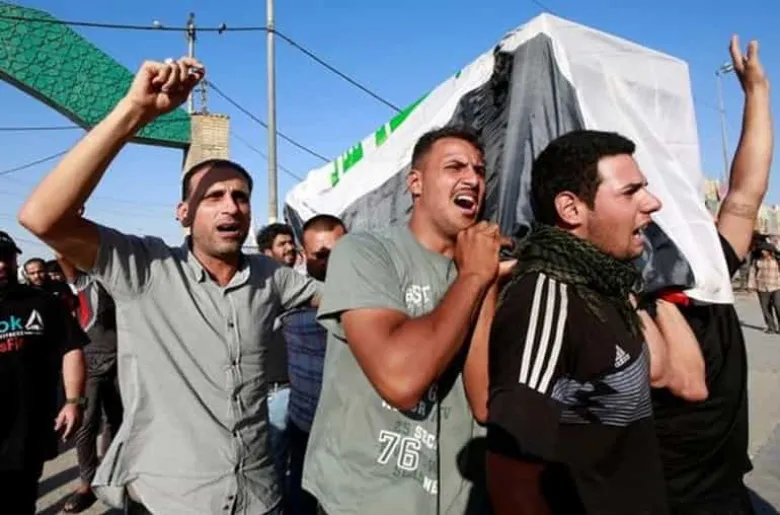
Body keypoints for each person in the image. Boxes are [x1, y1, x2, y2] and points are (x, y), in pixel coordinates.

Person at [18, 56, 320, 515]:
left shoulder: (270, 276)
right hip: (167, 503)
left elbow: (346, 298)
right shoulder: (145, 268)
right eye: (213, 196)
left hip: (260, 499)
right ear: (183, 214)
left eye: (241, 197)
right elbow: (42, 217)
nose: (231, 207)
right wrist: (135, 112)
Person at [303, 126, 514, 514]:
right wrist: (473, 277)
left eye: (480, 170)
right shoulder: (364, 252)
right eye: (455, 167)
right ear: (415, 183)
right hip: (365, 501)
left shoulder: (481, 271)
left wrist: (484, 280)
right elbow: (400, 381)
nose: (472, 179)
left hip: (455, 502)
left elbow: (485, 403)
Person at [486, 130, 669, 514]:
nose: (653, 202)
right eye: (630, 192)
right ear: (571, 209)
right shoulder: (545, 300)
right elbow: (512, 485)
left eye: (645, 188)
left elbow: (654, 372)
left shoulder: (606, 283)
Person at [648, 35, 773, 515]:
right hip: (665, 497)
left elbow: (745, 195)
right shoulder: (624, 296)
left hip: (725, 489)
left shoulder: (708, 267)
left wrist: (756, 93)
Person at [0, 230, 88, 515]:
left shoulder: (43, 303)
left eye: (6, 257)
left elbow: (71, 348)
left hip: (27, 428)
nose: (1, 265)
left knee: (21, 501)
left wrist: (73, 401)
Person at [280, 214, 346, 515]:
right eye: (321, 254)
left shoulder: (370, 295)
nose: (331, 261)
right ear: (303, 255)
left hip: (349, 430)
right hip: (304, 424)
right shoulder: (286, 295)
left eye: (339, 251)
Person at [56, 249, 123, 514]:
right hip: (89, 363)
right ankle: (86, 484)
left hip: (121, 360)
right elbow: (61, 253)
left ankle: (109, 473)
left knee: (115, 420)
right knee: (86, 424)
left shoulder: (124, 282)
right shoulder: (84, 281)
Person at [256, 222, 299, 509]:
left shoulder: (303, 288)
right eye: (282, 244)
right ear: (266, 252)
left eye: (291, 242)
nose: (290, 248)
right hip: (268, 392)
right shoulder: (256, 290)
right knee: (270, 462)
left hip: (294, 390)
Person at [748, 241, 780, 334]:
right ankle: (771, 327)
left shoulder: (777, 259)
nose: (763, 252)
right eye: (761, 250)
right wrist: (751, 285)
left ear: (770, 251)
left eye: (765, 250)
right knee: (765, 308)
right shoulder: (757, 260)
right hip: (762, 286)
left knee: (778, 306)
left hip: (776, 286)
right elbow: (752, 272)